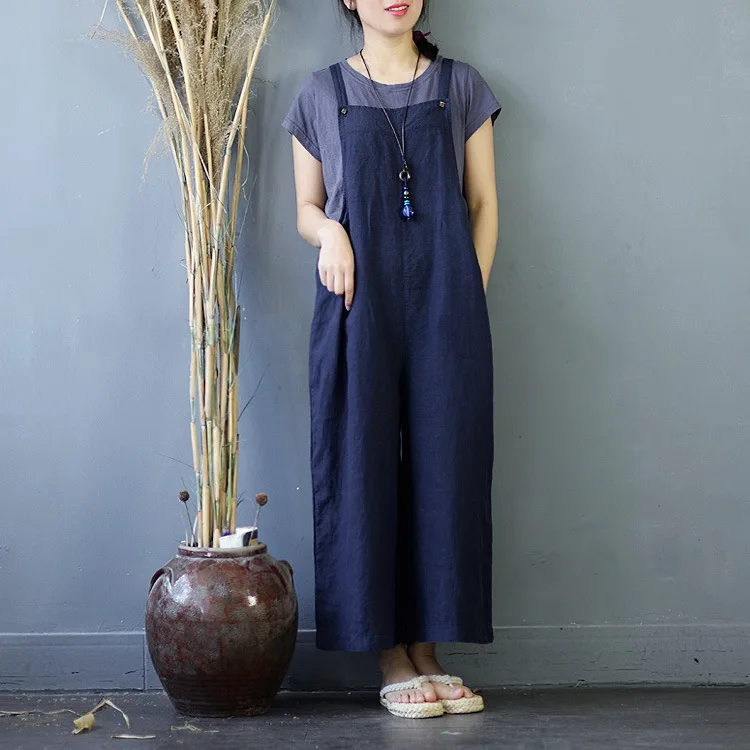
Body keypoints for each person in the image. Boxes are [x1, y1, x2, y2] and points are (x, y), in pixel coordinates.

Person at [282, 0, 502, 719]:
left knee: (447, 468)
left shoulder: (461, 86)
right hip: (358, 305)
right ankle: (388, 656)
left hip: (447, 306)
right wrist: (331, 236)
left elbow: (482, 203)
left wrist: (465, 293)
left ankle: (428, 650)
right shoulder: (321, 93)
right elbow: (306, 207)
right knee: (361, 465)